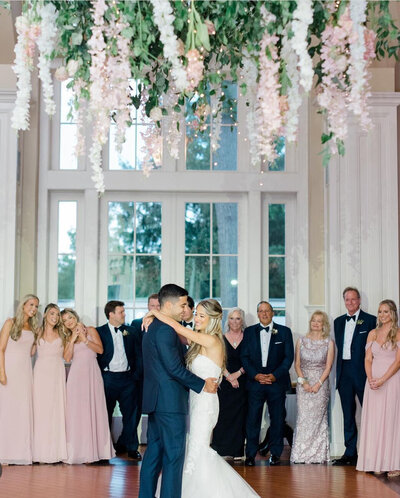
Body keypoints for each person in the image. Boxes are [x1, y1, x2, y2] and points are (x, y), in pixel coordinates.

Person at [142, 295, 260, 498]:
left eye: (201, 315)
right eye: (196, 314)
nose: (195, 318)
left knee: (198, 449)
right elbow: (177, 332)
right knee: (193, 448)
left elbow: (178, 328)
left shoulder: (212, 340)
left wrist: (155, 312)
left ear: (213, 319)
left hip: (205, 404)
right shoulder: (199, 341)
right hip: (196, 400)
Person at [138, 284, 218, 498]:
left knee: (153, 455)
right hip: (170, 403)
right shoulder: (164, 329)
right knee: (173, 457)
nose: (185, 309)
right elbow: (173, 368)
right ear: (170, 304)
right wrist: (202, 385)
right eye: (182, 304)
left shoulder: (156, 326)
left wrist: (153, 312)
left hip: (158, 401)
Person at [241, 301, 294, 466]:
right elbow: (245, 357)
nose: (264, 314)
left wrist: (274, 376)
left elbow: (288, 358)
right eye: (261, 311)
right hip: (255, 383)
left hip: (276, 383)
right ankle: (250, 455)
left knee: (277, 419)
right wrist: (256, 375)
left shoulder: (284, 332)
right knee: (252, 420)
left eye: (267, 311)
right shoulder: (249, 332)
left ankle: (276, 454)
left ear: (272, 313)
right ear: (257, 314)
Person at [62, 309, 115, 464]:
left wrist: (85, 339)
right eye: (65, 320)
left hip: (92, 375)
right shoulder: (67, 337)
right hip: (76, 378)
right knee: (76, 413)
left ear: (76, 317)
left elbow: (100, 350)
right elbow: (66, 357)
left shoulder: (91, 330)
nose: (69, 321)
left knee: (95, 409)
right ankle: (79, 451)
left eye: (70, 317)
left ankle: (97, 451)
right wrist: (72, 339)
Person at [333, 287, 376, 465]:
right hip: (344, 373)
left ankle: (372, 453)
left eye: (353, 299)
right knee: (348, 415)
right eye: (347, 300)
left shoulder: (371, 320)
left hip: (363, 373)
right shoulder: (338, 321)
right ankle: (350, 453)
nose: (350, 303)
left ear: (359, 300)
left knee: (370, 414)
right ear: (344, 301)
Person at [356, 300, 400, 476]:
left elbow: (398, 362)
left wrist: (383, 379)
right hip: (373, 383)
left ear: (393, 314)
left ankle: (394, 463)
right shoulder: (372, 333)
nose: (382, 315)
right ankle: (377, 461)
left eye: (386, 312)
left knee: (391, 421)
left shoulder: (397, 333)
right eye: (380, 312)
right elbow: (367, 359)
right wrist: (371, 378)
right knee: (374, 420)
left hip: (391, 381)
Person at [97, 300, 143, 460]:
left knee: (131, 415)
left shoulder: (131, 331)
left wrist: (135, 376)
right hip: (108, 379)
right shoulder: (99, 332)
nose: (124, 314)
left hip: (128, 379)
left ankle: (132, 448)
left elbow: (138, 355)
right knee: (105, 414)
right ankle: (103, 450)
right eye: (121, 312)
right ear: (111, 314)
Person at [290, 311, 334, 464]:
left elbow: (328, 367)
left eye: (319, 321)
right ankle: (301, 454)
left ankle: (318, 454)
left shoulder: (329, 342)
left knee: (318, 419)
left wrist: (318, 384)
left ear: (324, 325)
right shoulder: (301, 341)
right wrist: (304, 383)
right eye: (313, 320)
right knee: (304, 418)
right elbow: (297, 364)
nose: (316, 323)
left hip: (320, 386)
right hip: (304, 385)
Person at [0, 294, 39, 464]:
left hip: (25, 371)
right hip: (9, 369)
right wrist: (1, 372)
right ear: (23, 305)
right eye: (31, 304)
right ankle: (5, 452)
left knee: (23, 410)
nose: (34, 309)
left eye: (36, 306)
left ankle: (21, 453)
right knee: (8, 410)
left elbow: (30, 353)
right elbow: (1, 349)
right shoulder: (10, 322)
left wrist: (37, 341)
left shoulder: (33, 327)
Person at [33, 303, 68, 463]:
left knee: (55, 410)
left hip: (56, 374)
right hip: (40, 374)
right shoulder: (37, 332)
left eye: (57, 314)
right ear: (46, 314)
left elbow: (68, 355)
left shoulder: (62, 333)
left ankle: (55, 451)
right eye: (52, 313)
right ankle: (38, 451)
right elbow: (30, 351)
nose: (55, 317)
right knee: (40, 411)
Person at [211, 307, 247, 459]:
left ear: (242, 320)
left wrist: (238, 374)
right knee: (223, 416)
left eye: (238, 318)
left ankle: (237, 451)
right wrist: (229, 376)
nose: (234, 321)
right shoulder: (221, 338)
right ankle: (221, 449)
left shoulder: (248, 338)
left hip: (243, 382)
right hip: (225, 383)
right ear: (228, 320)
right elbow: (217, 360)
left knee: (240, 417)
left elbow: (253, 359)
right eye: (232, 318)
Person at [130, 293, 160, 455]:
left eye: (157, 306)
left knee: (156, 412)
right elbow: (132, 351)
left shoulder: (166, 325)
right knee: (134, 412)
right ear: (147, 306)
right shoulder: (136, 324)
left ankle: (154, 445)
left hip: (157, 376)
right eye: (152, 305)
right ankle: (132, 446)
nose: (154, 309)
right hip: (139, 376)